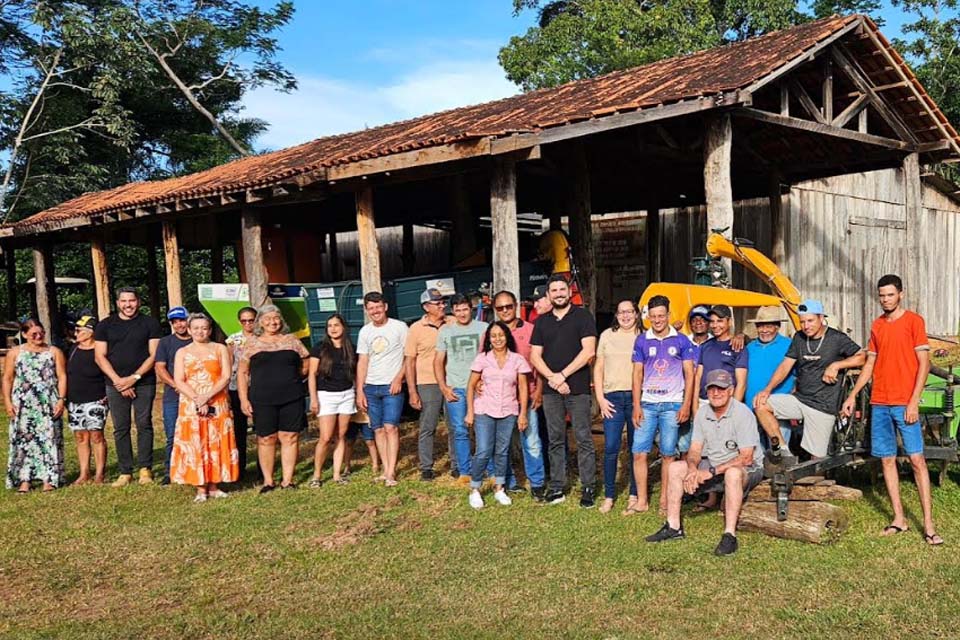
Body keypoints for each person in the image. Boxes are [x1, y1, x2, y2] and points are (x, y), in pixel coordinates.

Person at [842, 275, 942, 545]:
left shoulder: (914, 322)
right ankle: (899, 519)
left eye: (890, 294)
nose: (885, 299)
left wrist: (913, 401)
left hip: (904, 402)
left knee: (917, 460)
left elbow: (924, 364)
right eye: (882, 295)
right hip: (880, 402)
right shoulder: (876, 325)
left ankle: (930, 526)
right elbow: (870, 365)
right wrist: (852, 395)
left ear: (901, 294)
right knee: (886, 459)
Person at [646, 369, 765, 556]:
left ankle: (729, 535)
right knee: (677, 467)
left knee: (732, 473)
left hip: (745, 468)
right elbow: (694, 450)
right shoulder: (703, 413)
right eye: (712, 389)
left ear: (731, 390)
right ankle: (673, 526)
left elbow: (746, 457)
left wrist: (709, 471)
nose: (716, 393)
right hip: (713, 464)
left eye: (721, 388)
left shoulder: (743, 413)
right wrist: (693, 468)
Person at [754, 299, 865, 462]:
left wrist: (837, 365)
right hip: (800, 399)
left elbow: (862, 357)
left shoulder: (836, 338)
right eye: (802, 321)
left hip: (823, 405)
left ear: (821, 318)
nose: (806, 326)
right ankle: (784, 453)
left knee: (817, 462)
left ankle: (819, 484)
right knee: (760, 404)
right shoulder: (799, 338)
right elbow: (785, 365)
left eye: (810, 320)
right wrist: (767, 389)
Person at [530, 274, 598, 507]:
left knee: (583, 437)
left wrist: (563, 375)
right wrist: (553, 378)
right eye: (554, 290)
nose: (558, 293)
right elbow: (534, 356)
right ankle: (558, 485)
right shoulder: (542, 322)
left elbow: (588, 351)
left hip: (577, 388)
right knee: (556, 438)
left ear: (569, 292)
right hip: (551, 391)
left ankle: (588, 485)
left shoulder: (582, 316)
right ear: (548, 294)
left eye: (562, 289)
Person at [631, 295, 695, 514]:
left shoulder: (682, 340)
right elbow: (637, 373)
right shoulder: (641, 340)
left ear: (668, 315)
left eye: (661, 315)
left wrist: (686, 405)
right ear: (648, 317)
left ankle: (665, 501)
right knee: (639, 453)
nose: (657, 320)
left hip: (672, 405)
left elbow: (690, 373)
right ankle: (642, 500)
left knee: (668, 454)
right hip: (647, 403)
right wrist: (636, 405)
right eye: (654, 316)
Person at [237, 305, 310, 492]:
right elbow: (243, 373)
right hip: (262, 398)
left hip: (291, 396)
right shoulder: (252, 343)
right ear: (260, 322)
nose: (273, 322)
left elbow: (306, 362)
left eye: (276, 318)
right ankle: (268, 481)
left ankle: (288, 480)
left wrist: (295, 378)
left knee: (290, 436)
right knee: (266, 438)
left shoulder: (292, 340)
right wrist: (244, 399)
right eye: (267, 319)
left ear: (282, 320)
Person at [94, 287, 161, 487]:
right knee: (120, 427)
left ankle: (145, 469)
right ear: (117, 303)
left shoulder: (150, 323)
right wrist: (118, 381)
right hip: (114, 383)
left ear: (138, 302)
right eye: (124, 301)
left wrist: (134, 377)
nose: (128, 305)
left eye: (132, 301)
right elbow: (99, 356)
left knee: (144, 424)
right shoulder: (105, 325)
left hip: (144, 382)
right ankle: (125, 471)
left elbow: (154, 354)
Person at [170, 313, 238, 502]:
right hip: (191, 402)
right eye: (196, 328)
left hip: (217, 400)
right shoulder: (182, 352)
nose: (200, 331)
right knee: (195, 441)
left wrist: (207, 397)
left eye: (204, 328)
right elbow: (179, 379)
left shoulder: (220, 348)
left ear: (210, 330)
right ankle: (200, 486)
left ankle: (215, 484)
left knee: (215, 440)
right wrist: (197, 399)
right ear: (190, 330)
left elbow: (225, 376)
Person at [465, 321, 530, 509]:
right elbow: (471, 385)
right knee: (484, 450)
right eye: (493, 336)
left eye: (501, 335)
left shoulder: (517, 359)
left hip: (508, 410)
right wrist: (470, 412)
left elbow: (523, 388)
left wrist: (523, 413)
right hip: (484, 409)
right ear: (488, 339)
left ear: (507, 336)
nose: (497, 339)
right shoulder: (482, 359)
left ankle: (500, 488)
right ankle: (475, 488)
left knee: (502, 451)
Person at [492, 290, 546, 500]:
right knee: (501, 442)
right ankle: (507, 481)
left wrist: (539, 390)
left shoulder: (532, 330)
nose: (505, 311)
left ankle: (537, 483)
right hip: (500, 399)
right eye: (500, 308)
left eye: (508, 306)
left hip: (528, 396)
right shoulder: (493, 333)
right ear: (495, 310)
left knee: (532, 441)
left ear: (516, 306)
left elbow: (539, 364)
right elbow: (482, 362)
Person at [3, 318, 67, 492]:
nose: (38, 336)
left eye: (41, 333)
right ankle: (25, 479)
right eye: (34, 334)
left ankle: (49, 478)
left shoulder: (54, 351)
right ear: (24, 334)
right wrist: (8, 402)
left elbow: (61, 376)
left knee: (49, 438)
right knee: (24, 440)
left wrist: (61, 399)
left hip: (47, 402)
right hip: (23, 404)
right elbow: (8, 378)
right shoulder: (15, 353)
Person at [356, 292, 408, 487]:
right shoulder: (365, 332)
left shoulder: (399, 327)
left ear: (385, 307)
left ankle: (391, 471)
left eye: (378, 307)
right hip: (371, 386)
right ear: (367, 311)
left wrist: (399, 378)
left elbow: (408, 356)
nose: (375, 311)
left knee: (391, 427)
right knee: (377, 429)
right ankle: (386, 469)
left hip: (391, 385)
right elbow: (362, 361)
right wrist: (360, 390)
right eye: (371, 308)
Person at [434, 293, 487, 484]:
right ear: (453, 311)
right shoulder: (446, 332)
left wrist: (485, 380)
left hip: (480, 387)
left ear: (470, 309)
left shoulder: (484, 328)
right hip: (456, 387)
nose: (462, 313)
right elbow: (438, 361)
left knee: (483, 429)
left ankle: (487, 467)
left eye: (465, 309)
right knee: (459, 430)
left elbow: (491, 357)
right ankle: (465, 470)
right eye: (458, 310)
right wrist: (443, 387)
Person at [594, 299, 641, 514]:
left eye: (629, 312)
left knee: (635, 449)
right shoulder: (607, 336)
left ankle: (634, 493)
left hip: (635, 398)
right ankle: (609, 495)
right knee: (611, 448)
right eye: (621, 312)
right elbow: (599, 367)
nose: (625, 316)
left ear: (636, 313)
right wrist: (600, 399)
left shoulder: (643, 335)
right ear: (616, 315)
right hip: (611, 397)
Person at [404, 288, 454, 481]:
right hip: (427, 382)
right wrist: (412, 391)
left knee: (454, 425)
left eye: (443, 302)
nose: (442, 306)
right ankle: (426, 466)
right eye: (438, 303)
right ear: (426, 307)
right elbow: (409, 361)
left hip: (451, 379)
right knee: (428, 425)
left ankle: (456, 464)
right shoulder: (416, 328)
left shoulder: (452, 322)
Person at [308, 314, 357, 487]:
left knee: (341, 435)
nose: (333, 328)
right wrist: (313, 399)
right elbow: (312, 375)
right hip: (326, 395)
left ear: (344, 327)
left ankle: (337, 475)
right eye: (330, 326)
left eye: (336, 325)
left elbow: (355, 374)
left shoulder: (350, 348)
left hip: (347, 394)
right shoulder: (319, 348)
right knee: (326, 437)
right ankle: (317, 475)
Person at [744, 306, 796, 451]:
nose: (764, 330)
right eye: (760, 326)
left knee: (779, 454)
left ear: (777, 327)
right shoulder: (750, 347)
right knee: (755, 456)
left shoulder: (789, 345)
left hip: (776, 410)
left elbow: (800, 375)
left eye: (768, 326)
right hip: (750, 408)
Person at [66, 316, 108, 484]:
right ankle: (84, 472)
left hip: (96, 398)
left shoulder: (100, 349)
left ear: (90, 332)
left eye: (79, 330)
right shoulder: (72, 349)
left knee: (96, 435)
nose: (75, 333)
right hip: (75, 399)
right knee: (80, 437)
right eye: (75, 330)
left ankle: (99, 473)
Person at [154, 306, 192, 485]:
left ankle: (193, 468)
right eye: (175, 322)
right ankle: (170, 470)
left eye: (182, 320)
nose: (179, 324)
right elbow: (160, 367)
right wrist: (175, 385)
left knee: (195, 433)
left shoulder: (199, 339)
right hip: (173, 396)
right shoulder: (165, 342)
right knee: (172, 434)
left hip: (197, 395)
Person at [693, 305, 748, 414]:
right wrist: (695, 407)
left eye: (720, 321)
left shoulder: (738, 347)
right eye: (712, 322)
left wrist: (733, 411)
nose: (715, 325)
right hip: (704, 402)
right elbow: (698, 377)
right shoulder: (705, 346)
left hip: (726, 403)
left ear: (729, 322)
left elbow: (741, 383)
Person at [225, 306, 257, 480]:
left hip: (258, 386)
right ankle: (240, 468)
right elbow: (228, 365)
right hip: (236, 387)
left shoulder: (262, 339)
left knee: (262, 428)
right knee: (239, 430)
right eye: (244, 321)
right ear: (239, 322)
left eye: (251, 320)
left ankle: (263, 467)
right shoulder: (232, 340)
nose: (248, 324)